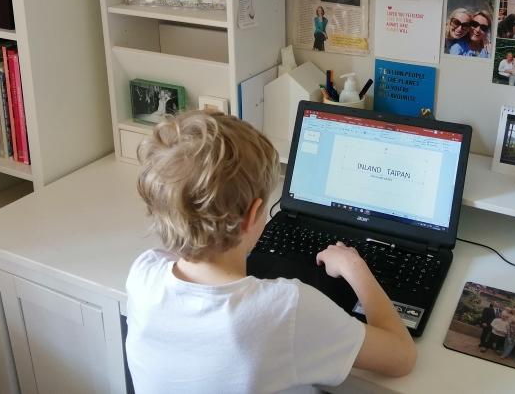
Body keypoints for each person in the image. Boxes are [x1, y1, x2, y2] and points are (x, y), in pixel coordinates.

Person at [125, 112, 416, 392]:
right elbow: (402, 357)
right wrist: (354, 266)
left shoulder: (143, 275)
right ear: (252, 215)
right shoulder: (286, 309)